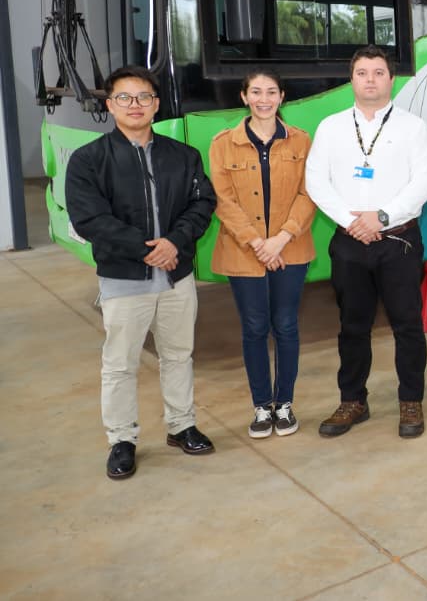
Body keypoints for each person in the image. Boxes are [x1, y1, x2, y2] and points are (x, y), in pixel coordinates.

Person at [66, 65, 217, 480]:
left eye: (144, 97)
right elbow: (89, 219)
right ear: (110, 105)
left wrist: (175, 243)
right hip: (123, 279)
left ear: (156, 104)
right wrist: (147, 250)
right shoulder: (89, 160)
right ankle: (122, 439)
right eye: (125, 98)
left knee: (178, 354)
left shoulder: (182, 155)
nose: (136, 105)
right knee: (120, 363)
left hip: (176, 276)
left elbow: (202, 203)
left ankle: (181, 424)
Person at [305, 45, 427, 439]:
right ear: (352, 79)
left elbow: (424, 182)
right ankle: (353, 400)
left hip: (399, 242)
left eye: (378, 73)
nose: (370, 80)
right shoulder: (331, 127)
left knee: (408, 325)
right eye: (362, 73)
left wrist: (380, 217)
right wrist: (352, 222)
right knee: (352, 326)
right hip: (348, 243)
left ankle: (410, 400)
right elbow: (316, 180)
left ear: (390, 79)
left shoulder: (413, 127)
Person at [209, 69, 316, 439]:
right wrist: (258, 244)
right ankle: (261, 406)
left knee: (285, 325)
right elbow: (223, 201)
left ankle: (284, 404)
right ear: (244, 97)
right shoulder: (223, 144)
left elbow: (309, 194)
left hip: (291, 248)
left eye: (271, 91)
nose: (264, 99)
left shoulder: (302, 142)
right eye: (256, 92)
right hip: (244, 251)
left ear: (282, 97)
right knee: (254, 327)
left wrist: (281, 239)